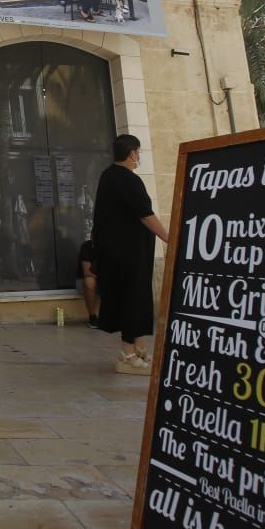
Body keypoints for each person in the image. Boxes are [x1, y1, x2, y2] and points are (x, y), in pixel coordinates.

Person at [91, 134, 170, 375]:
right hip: (128, 254)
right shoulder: (127, 180)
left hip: (117, 253)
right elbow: (145, 214)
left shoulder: (109, 176)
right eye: (138, 151)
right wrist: (171, 238)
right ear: (132, 153)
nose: (139, 156)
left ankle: (138, 347)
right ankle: (128, 354)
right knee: (131, 298)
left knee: (132, 298)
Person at [77, 237, 100, 328]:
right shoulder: (87, 247)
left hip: (103, 281)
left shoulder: (111, 247)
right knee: (90, 281)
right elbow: (87, 272)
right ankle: (92, 318)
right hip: (84, 282)